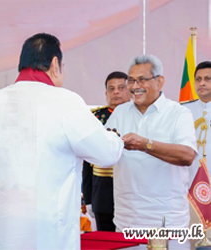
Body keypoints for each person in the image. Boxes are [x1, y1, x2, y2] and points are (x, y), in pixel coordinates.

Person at [0, 33, 124, 249]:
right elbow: (106, 154)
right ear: (55, 64)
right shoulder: (64, 101)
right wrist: (115, 137)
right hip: (45, 232)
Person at [105, 54, 196, 230]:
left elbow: (187, 155)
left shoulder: (178, 113)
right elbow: (104, 151)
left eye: (142, 80)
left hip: (168, 221)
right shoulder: (119, 113)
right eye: (131, 81)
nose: (135, 87)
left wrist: (146, 144)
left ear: (160, 82)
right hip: (126, 221)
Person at [82, 71, 131, 231]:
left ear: (129, 90)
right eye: (111, 89)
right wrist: (89, 198)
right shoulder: (94, 118)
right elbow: (86, 161)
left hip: (131, 189)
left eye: (121, 87)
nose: (116, 92)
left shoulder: (138, 116)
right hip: (102, 189)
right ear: (106, 93)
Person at [181, 60, 211, 239]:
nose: (202, 83)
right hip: (191, 184)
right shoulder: (183, 111)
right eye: (198, 79)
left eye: (208, 78)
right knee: (194, 236)